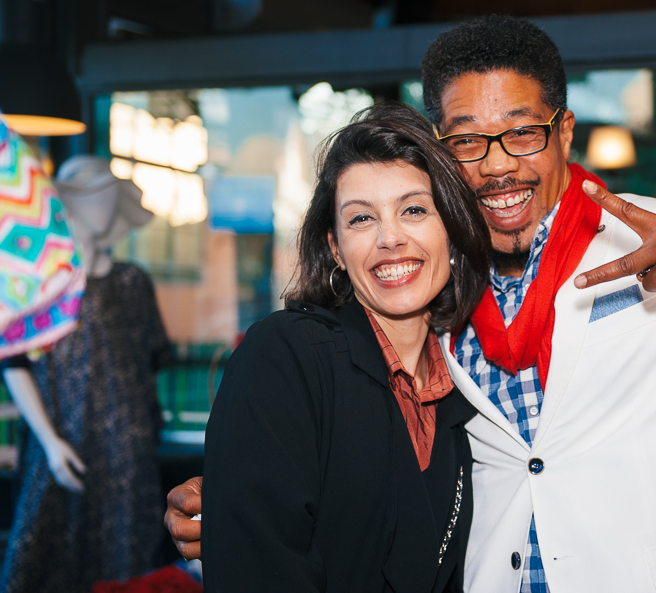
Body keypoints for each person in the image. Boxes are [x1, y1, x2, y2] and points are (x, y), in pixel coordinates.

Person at [167, 16, 656, 593]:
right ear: (442, 152)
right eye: (468, 141)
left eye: (522, 133)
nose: (498, 165)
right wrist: (246, 505)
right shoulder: (433, 294)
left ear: (564, 132)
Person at [200, 102, 492, 592]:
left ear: (452, 231)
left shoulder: (464, 386)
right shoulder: (288, 355)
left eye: (414, 210)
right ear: (336, 247)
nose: (390, 238)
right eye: (361, 219)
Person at [0, 156, 167, 593]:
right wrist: (50, 441)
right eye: (93, 198)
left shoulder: (132, 281)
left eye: (108, 198)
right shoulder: (43, 285)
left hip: (126, 451)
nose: (102, 208)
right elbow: (14, 364)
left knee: (127, 561)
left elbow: (149, 359)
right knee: (44, 557)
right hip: (60, 441)